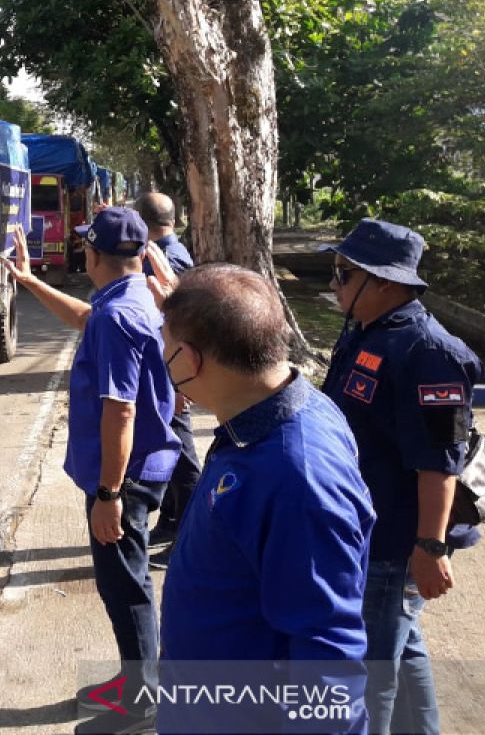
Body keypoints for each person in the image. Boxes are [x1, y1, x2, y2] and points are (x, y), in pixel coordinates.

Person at [144, 257, 374, 733]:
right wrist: (189, 312)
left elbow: (328, 663)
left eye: (164, 344)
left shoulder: (295, 477)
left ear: (190, 361)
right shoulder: (276, 408)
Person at [6, 207, 180, 734]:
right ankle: (137, 679)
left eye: (85, 244)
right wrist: (31, 280)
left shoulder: (116, 317)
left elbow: (120, 410)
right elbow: (85, 318)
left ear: (94, 255)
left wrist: (109, 494)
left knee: (125, 586)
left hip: (123, 476)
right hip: (142, 465)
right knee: (126, 581)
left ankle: (143, 703)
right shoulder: (135, 297)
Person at [320, 218, 485, 734]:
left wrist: (430, 548)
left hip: (396, 540)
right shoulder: (366, 331)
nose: (334, 283)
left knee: (371, 669)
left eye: (344, 273)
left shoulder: (428, 353)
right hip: (366, 527)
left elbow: (440, 461)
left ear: (385, 282)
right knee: (403, 647)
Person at [133, 193, 200, 564]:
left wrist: (177, 383)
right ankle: (173, 521)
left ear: (144, 223)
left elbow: (172, 326)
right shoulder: (168, 252)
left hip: (171, 372)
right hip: (168, 369)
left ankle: (189, 538)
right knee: (172, 453)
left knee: (184, 459)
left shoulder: (166, 260)